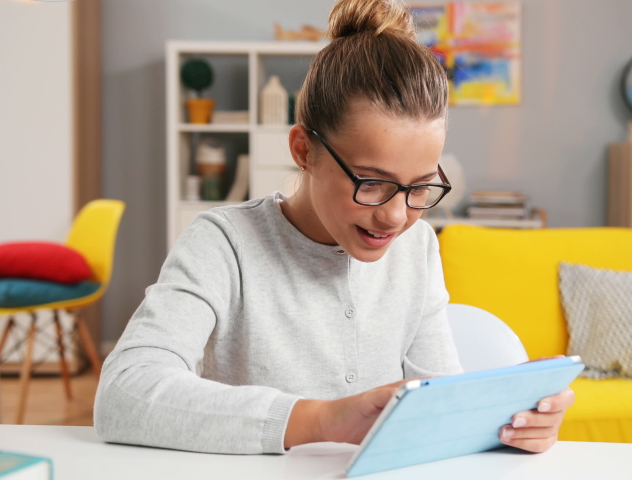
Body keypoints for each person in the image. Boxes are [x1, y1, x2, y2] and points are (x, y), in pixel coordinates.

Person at [94, 0, 574, 456]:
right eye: (372, 183)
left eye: (420, 187)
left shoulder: (418, 247)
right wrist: (320, 421)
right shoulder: (224, 245)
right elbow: (123, 393)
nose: (394, 216)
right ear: (304, 150)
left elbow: (438, 403)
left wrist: (511, 421)